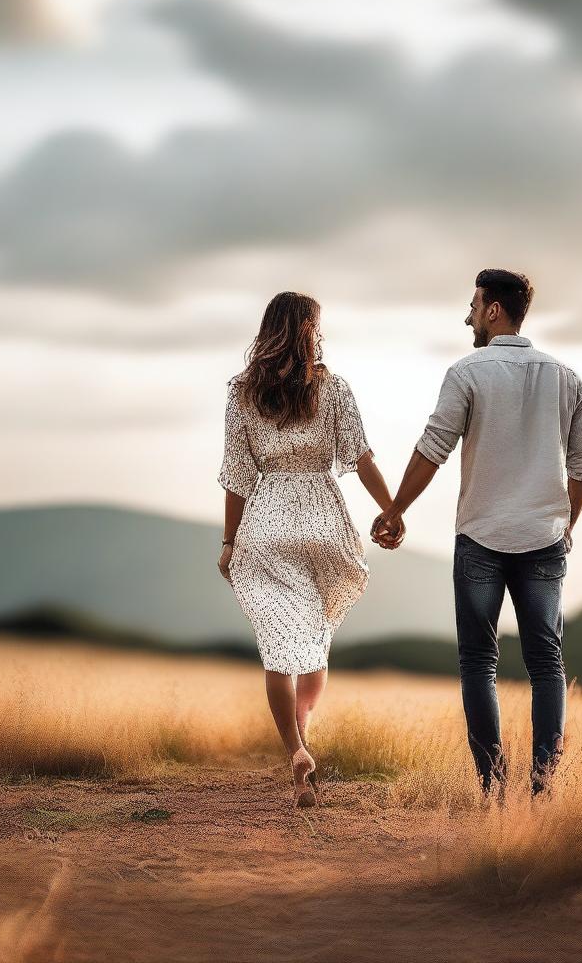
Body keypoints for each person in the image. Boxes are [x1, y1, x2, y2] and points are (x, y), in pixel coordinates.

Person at [371, 268, 582, 799]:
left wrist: (395, 510)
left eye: (473, 304)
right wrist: (565, 527)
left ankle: (493, 788)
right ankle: (542, 791)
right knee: (547, 663)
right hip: (544, 538)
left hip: (480, 537)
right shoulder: (567, 377)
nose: (468, 316)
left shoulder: (466, 372)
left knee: (479, 662)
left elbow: (433, 448)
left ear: (494, 309)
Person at [217, 291, 402, 809]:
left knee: (278, 646)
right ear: (308, 332)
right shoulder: (334, 388)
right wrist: (392, 509)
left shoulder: (240, 392)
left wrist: (229, 542)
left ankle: (295, 749)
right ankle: (303, 735)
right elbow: (361, 459)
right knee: (315, 637)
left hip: (266, 521)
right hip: (322, 518)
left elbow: (235, 478)